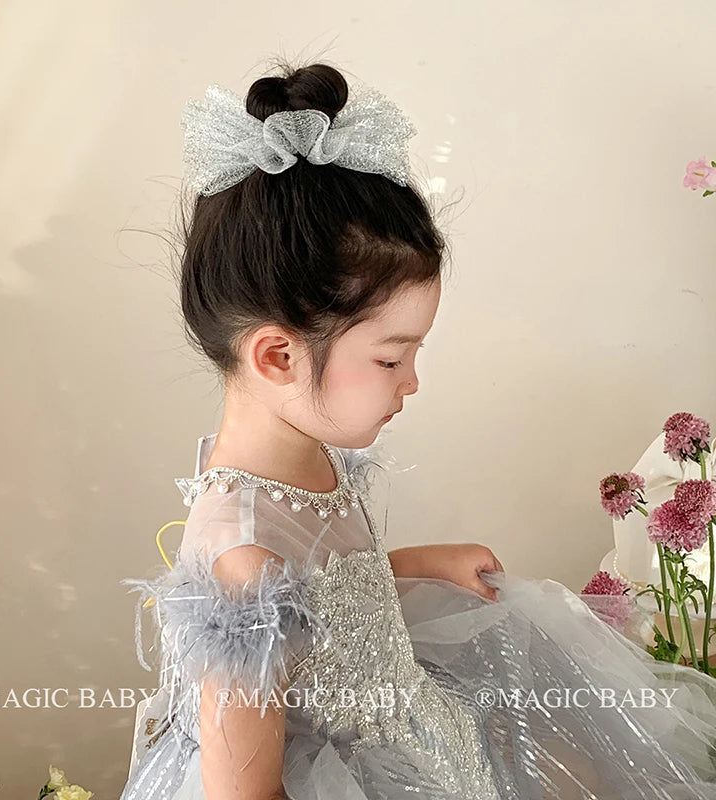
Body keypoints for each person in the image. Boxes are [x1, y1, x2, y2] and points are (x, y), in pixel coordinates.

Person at [118, 61, 716, 800]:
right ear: (278, 356)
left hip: (412, 725)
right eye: (390, 358)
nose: (411, 382)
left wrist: (410, 565)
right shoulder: (240, 560)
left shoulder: (298, 457)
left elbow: (321, 602)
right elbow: (242, 791)